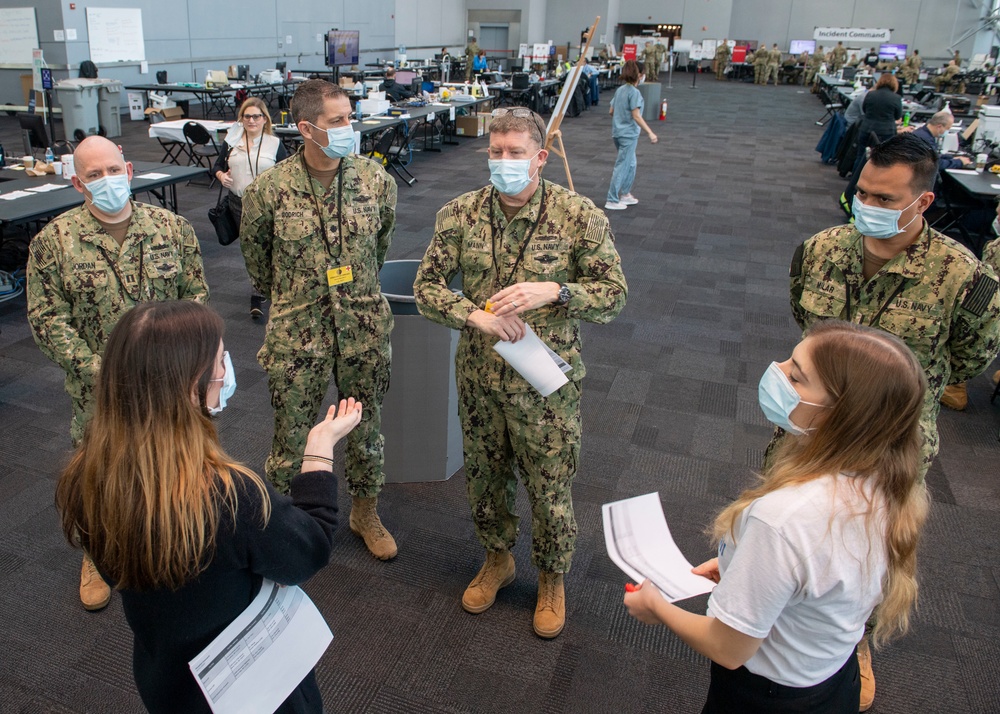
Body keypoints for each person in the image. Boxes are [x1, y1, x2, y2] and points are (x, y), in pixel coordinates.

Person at [55, 300, 364, 714]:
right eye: (219, 362)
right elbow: (308, 552)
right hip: (251, 689)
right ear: (187, 386)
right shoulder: (230, 496)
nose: (225, 373)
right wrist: (319, 448)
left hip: (168, 683)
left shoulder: (84, 478)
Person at [788, 134, 1000, 709]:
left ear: (922, 203)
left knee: (871, 543)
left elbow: (969, 359)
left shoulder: (964, 277)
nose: (867, 206)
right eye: (861, 193)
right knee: (795, 528)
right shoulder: (821, 250)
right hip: (811, 424)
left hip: (892, 439)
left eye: (885, 198)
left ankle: (854, 638)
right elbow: (804, 323)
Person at [625, 320, 930, 714]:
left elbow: (727, 647)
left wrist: (657, 607)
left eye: (797, 377)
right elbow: (822, 570)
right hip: (833, 678)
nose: (777, 371)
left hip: (767, 697)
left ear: (841, 413)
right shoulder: (886, 480)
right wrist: (743, 568)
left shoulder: (784, 519)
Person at [412, 107, 627, 639]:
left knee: (550, 486)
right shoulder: (459, 213)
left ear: (540, 157)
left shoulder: (579, 217)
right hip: (481, 376)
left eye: (516, 153)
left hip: (546, 384)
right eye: (496, 152)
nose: (504, 161)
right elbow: (426, 287)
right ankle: (498, 558)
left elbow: (613, 297)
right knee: (486, 479)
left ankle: (552, 578)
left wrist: (556, 290)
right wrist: (473, 315)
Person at [26, 135, 209, 612]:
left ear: (128, 171)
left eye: (113, 170)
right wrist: (101, 371)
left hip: (172, 383)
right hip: (99, 391)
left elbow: (197, 297)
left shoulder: (172, 228)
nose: (106, 180)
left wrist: (184, 362)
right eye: (94, 175)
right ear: (76, 182)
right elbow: (48, 320)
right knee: (99, 473)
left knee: (176, 464)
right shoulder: (53, 243)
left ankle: (173, 540)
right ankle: (96, 554)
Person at [240, 79, 399, 560]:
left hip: (364, 327)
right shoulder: (268, 191)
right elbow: (257, 261)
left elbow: (381, 245)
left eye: (350, 117)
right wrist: (296, 295)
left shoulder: (376, 181)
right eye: (338, 121)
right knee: (291, 431)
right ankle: (288, 522)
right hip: (297, 332)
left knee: (365, 426)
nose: (350, 127)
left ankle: (364, 511)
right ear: (307, 128)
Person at [214, 98, 289, 320]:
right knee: (251, 250)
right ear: (241, 119)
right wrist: (221, 176)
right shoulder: (231, 142)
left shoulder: (274, 143)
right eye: (246, 116)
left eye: (256, 116)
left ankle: (274, 289)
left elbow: (286, 172)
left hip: (268, 206)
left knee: (271, 247)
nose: (251, 120)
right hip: (239, 203)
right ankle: (257, 295)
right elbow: (217, 165)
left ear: (264, 119)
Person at [604, 60, 658, 211]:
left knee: (631, 163)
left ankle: (625, 194)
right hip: (628, 135)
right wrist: (650, 133)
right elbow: (636, 115)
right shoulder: (634, 93)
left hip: (618, 133)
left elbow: (611, 111)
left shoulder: (620, 90)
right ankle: (612, 199)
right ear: (639, 75)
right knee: (622, 165)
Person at [853, 73, 903, 176]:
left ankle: (856, 178)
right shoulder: (896, 98)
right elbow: (898, 116)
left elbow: (864, 110)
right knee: (883, 159)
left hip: (867, 128)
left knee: (861, 155)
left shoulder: (870, 94)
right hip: (886, 132)